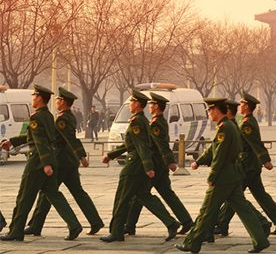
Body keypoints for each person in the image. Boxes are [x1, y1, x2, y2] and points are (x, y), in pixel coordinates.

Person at [177, 97, 270, 253]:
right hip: (234, 175)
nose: (208, 113)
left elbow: (219, 155)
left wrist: (212, 177)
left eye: (209, 110)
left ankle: (192, 243)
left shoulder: (224, 129)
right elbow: (214, 149)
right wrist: (198, 161)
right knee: (243, 209)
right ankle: (260, 240)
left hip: (223, 177)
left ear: (215, 110)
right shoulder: (230, 126)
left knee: (206, 211)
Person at [0, 84, 83, 241]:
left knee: (24, 197)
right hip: (50, 159)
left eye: (34, 96)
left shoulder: (36, 117)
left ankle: (16, 231)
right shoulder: (48, 116)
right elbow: (34, 137)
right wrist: (12, 142)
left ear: (39, 98)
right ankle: (74, 225)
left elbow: (40, 141)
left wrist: (45, 163)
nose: (33, 98)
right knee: (54, 195)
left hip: (37, 162)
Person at [100, 89, 180, 243]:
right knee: (144, 196)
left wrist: (148, 166)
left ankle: (116, 232)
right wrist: (112, 154)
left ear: (137, 104)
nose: (130, 104)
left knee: (122, 198)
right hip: (140, 165)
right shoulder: (142, 120)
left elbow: (142, 146)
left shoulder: (137, 121)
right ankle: (171, 223)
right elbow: (132, 143)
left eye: (131, 101)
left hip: (134, 166)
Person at [24, 87, 104, 237]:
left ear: (63, 102)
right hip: (69, 161)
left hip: (61, 160)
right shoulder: (69, 116)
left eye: (58, 100)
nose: (56, 102)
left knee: (48, 192)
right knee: (77, 192)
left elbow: (70, 138)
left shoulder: (61, 119)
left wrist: (82, 155)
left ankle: (38, 225)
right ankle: (95, 221)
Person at [216, 91, 276, 236]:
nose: (240, 106)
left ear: (247, 106)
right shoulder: (247, 121)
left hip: (247, 166)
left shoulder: (247, 123)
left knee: (234, 195)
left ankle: (224, 224)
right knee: (259, 195)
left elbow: (254, 142)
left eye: (242, 103)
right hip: (251, 165)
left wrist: (265, 159)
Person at [124, 92, 193, 236]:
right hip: (161, 164)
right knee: (166, 194)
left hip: (155, 165)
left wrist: (170, 162)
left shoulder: (155, 123)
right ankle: (186, 221)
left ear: (157, 107)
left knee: (141, 193)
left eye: (152, 104)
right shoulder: (160, 121)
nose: (149, 106)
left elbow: (160, 145)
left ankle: (133, 225)